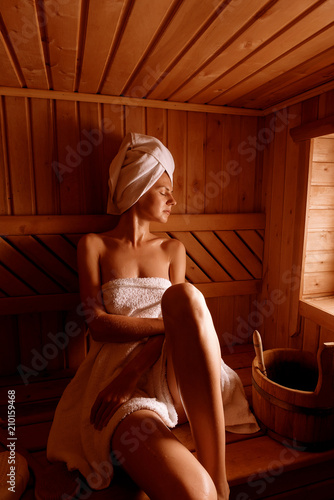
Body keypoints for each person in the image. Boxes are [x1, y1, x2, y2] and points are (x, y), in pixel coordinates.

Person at [47, 133, 258, 500]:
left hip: (182, 374)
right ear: (137, 187)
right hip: (124, 383)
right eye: (163, 190)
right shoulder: (94, 245)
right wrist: (171, 332)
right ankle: (209, 488)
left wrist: (139, 366)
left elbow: (185, 318)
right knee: (194, 494)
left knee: (185, 296)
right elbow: (97, 323)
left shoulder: (173, 249)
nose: (173, 200)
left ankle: (220, 478)